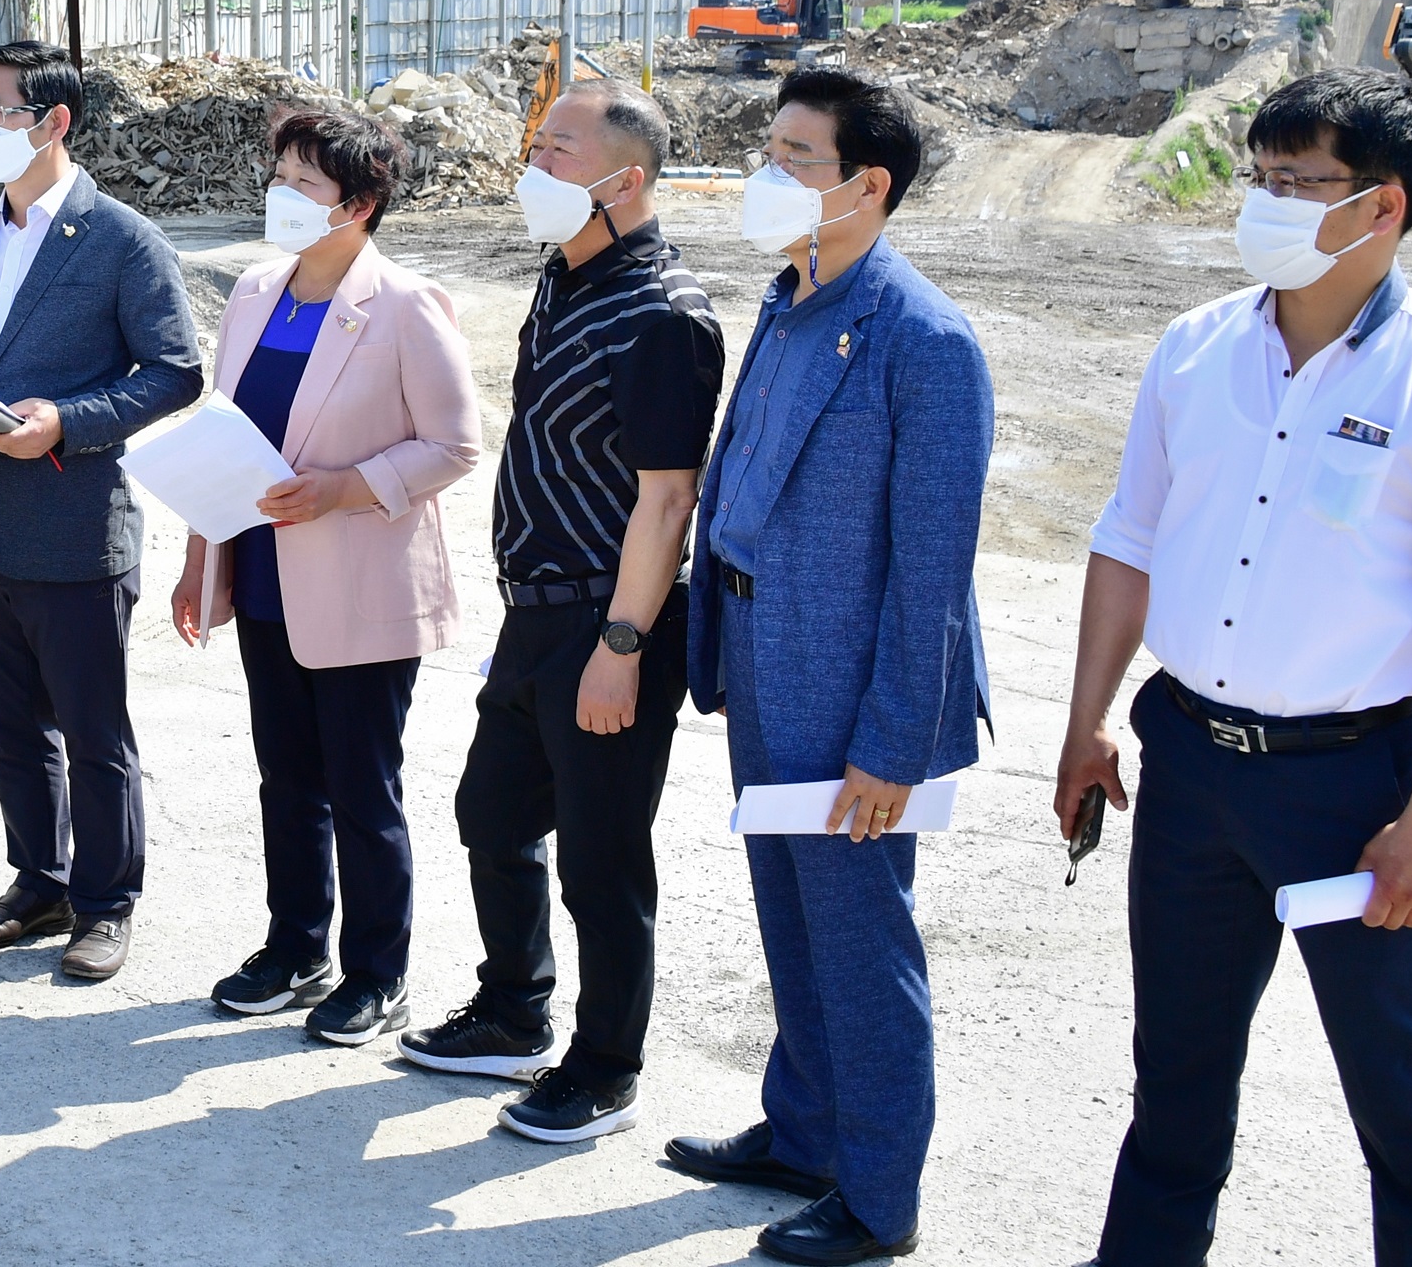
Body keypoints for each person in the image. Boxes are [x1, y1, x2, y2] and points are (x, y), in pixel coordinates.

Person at [1057, 69, 1412, 1267]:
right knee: (1178, 1079)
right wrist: (1087, 720)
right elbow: (1129, 539)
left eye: (1297, 182)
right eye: (1259, 177)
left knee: (1402, 1092)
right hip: (1193, 764)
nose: (1264, 203)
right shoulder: (1197, 349)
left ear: (1383, 208)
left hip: (1354, 786)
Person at [665, 68, 993, 1267]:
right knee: (790, 913)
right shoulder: (790, 293)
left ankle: (877, 1194)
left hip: (852, 683)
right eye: (771, 148)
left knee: (859, 937)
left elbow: (930, 571)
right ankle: (803, 1132)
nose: (768, 173)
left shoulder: (926, 339)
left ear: (869, 184)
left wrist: (891, 742)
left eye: (795, 157)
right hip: (761, 651)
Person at [399, 79, 721, 1143]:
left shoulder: (664, 315)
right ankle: (513, 1006)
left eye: (559, 150)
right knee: (491, 813)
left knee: (601, 858)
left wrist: (622, 646)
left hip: (608, 622)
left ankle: (605, 1062)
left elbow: (667, 497)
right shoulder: (565, 274)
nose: (534, 167)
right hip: (534, 614)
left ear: (625, 178)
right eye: (536, 144)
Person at [169, 109, 479, 1043]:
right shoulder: (259, 291)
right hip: (263, 570)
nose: (284, 195)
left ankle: (377, 971)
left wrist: (349, 488)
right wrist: (198, 561)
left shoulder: (404, 304)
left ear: (361, 205)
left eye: (308, 183)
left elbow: (456, 445)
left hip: (360, 579)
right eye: (282, 174)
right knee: (285, 778)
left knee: (360, 783)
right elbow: (224, 437)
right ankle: (296, 946)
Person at [0, 40, 203, 980]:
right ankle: (38, 880)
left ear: (52, 122)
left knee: (92, 728)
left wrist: (66, 423)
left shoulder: (119, 239)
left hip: (74, 520)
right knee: (9, 722)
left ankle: (105, 902)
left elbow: (173, 372)